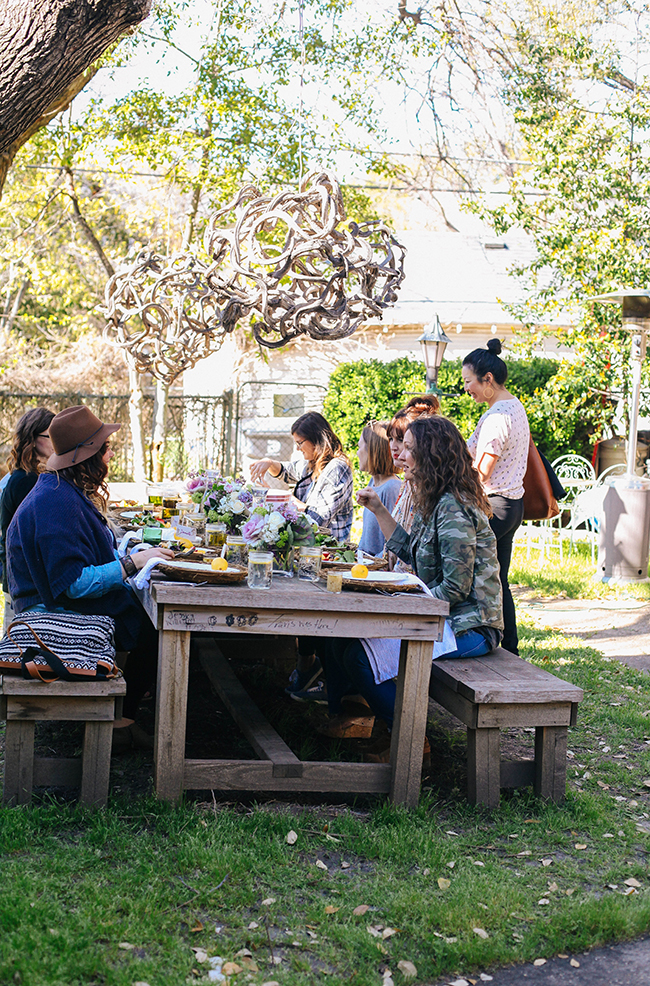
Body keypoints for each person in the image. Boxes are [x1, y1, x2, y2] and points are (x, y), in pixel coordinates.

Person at [315, 415, 503, 747]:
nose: (400, 454)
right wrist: (379, 510)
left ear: (430, 455)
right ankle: (357, 719)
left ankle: (412, 741)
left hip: (470, 627)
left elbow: (455, 590)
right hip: (444, 617)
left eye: (410, 448)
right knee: (340, 638)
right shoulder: (434, 499)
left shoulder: (453, 508)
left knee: (359, 655)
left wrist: (400, 607)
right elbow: (415, 556)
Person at [6, 405, 174, 752]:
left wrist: (131, 556)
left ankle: (123, 713)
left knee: (151, 620)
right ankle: (120, 725)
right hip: (50, 612)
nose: (110, 453)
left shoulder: (60, 489)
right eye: (105, 448)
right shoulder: (55, 502)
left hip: (55, 600)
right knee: (157, 628)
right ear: (87, 456)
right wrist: (131, 563)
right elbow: (74, 583)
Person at [462, 338, 529, 654]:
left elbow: (482, 471)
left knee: (472, 576)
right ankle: (510, 648)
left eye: (469, 381)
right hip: (511, 505)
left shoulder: (498, 416)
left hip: (492, 505)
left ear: (487, 379)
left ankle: (477, 640)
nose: (467, 388)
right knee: (499, 580)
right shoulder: (514, 407)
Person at [250, 411, 353, 541]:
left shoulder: (337, 469)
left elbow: (318, 520)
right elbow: (287, 471)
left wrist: (280, 498)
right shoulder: (312, 464)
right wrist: (268, 462)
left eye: (300, 443)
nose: (298, 449)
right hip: (310, 546)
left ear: (316, 440)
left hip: (330, 551)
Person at [0, 407, 55, 628]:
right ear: (32, 439)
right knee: (16, 649)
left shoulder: (33, 475)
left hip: (21, 577)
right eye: (49, 436)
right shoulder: (25, 480)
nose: (55, 442)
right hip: (23, 581)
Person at [385, 394, 440, 572]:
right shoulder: (406, 483)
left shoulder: (430, 490)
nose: (394, 447)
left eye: (401, 441)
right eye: (391, 439)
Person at [357, 421, 401, 557]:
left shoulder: (392, 487)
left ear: (372, 450)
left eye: (360, 447)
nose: (357, 453)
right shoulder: (373, 483)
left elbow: (394, 541)